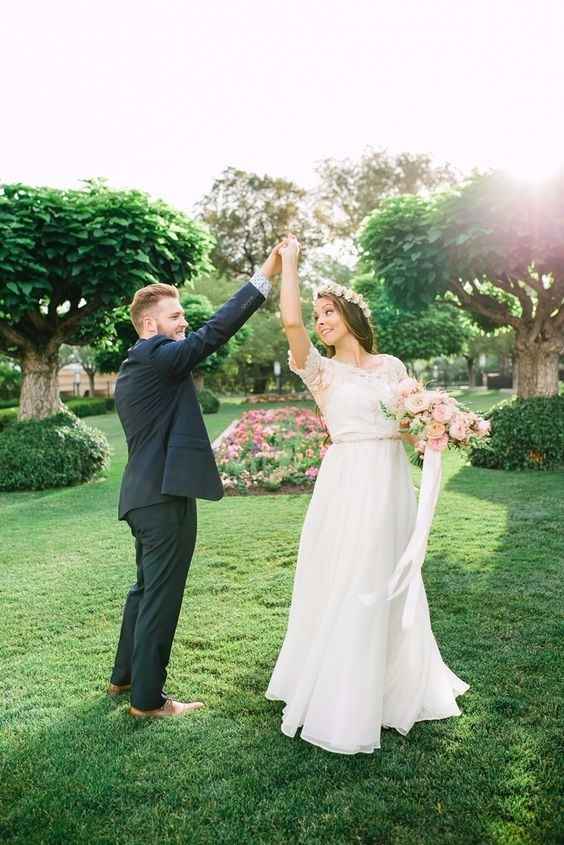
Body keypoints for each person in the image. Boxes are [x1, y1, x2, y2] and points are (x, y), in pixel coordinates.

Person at [266, 235, 469, 754]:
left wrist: (436, 426)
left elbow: (403, 428)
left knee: (392, 575)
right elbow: (289, 322)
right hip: (348, 482)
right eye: (318, 315)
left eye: (329, 311)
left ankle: (393, 685)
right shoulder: (319, 370)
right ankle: (342, 691)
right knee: (350, 575)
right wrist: (289, 263)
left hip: (391, 479)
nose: (320, 321)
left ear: (351, 316)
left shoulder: (393, 368)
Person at [108, 245, 281, 718]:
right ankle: (148, 701)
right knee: (159, 599)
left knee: (144, 591)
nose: (184, 322)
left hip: (143, 498)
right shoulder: (157, 355)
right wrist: (263, 279)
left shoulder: (136, 365)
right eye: (176, 315)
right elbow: (213, 334)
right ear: (150, 325)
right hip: (163, 501)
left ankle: (124, 679)